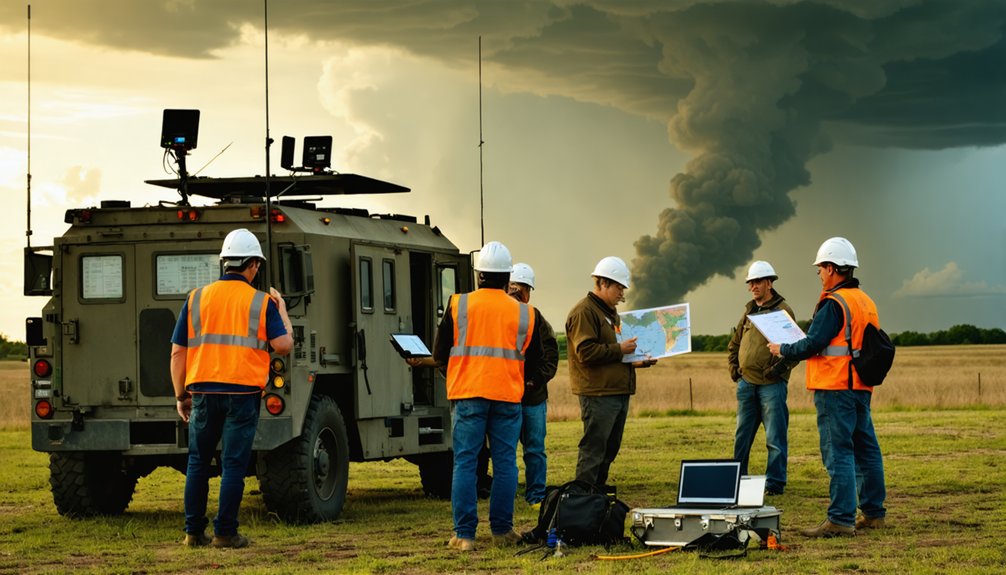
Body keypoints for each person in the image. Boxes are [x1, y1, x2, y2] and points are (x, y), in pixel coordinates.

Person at [407, 241, 542, 552]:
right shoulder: (526, 313)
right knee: (506, 463)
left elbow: (441, 354)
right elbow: (533, 361)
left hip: (468, 394)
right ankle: (502, 531)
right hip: (508, 396)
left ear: (479, 274)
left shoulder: (459, 305)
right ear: (508, 276)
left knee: (466, 462)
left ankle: (465, 535)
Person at [170, 228, 293, 549]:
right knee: (234, 465)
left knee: (198, 461)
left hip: (203, 392)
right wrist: (282, 311)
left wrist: (181, 395)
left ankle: (193, 533)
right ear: (253, 265)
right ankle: (225, 533)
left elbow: (177, 352)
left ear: (224, 262)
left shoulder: (196, 298)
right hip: (243, 395)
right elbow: (283, 345)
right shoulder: (261, 302)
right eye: (257, 266)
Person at [768, 237, 887, 538]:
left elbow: (813, 343)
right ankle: (873, 514)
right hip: (860, 386)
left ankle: (840, 519)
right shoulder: (866, 301)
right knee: (867, 450)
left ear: (832, 268)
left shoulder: (834, 302)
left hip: (835, 387)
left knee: (839, 453)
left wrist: (782, 348)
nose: (819, 274)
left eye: (821, 268)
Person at [566, 256, 656, 490]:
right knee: (594, 447)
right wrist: (620, 349)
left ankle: (597, 491)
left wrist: (636, 362)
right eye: (618, 286)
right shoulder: (584, 312)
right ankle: (582, 495)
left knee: (610, 447)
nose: (622, 293)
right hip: (597, 393)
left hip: (616, 391)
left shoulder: (610, 314)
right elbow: (585, 352)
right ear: (603, 283)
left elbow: (613, 356)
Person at [727, 260, 798, 496]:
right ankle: (737, 480)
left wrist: (776, 371)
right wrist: (734, 367)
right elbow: (735, 342)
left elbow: (796, 349)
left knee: (775, 437)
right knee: (742, 437)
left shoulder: (783, 310)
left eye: (757, 281)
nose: (753, 286)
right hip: (746, 383)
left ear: (769, 282)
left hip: (772, 386)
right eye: (750, 282)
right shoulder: (749, 310)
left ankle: (775, 484)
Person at [508, 263, 559, 507]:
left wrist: (534, 381)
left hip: (531, 398)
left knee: (534, 450)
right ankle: (506, 494)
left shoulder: (536, 318)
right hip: (505, 396)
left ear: (528, 291)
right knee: (504, 452)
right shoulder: (499, 316)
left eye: (522, 289)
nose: (517, 293)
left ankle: (536, 496)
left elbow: (550, 356)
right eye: (512, 288)